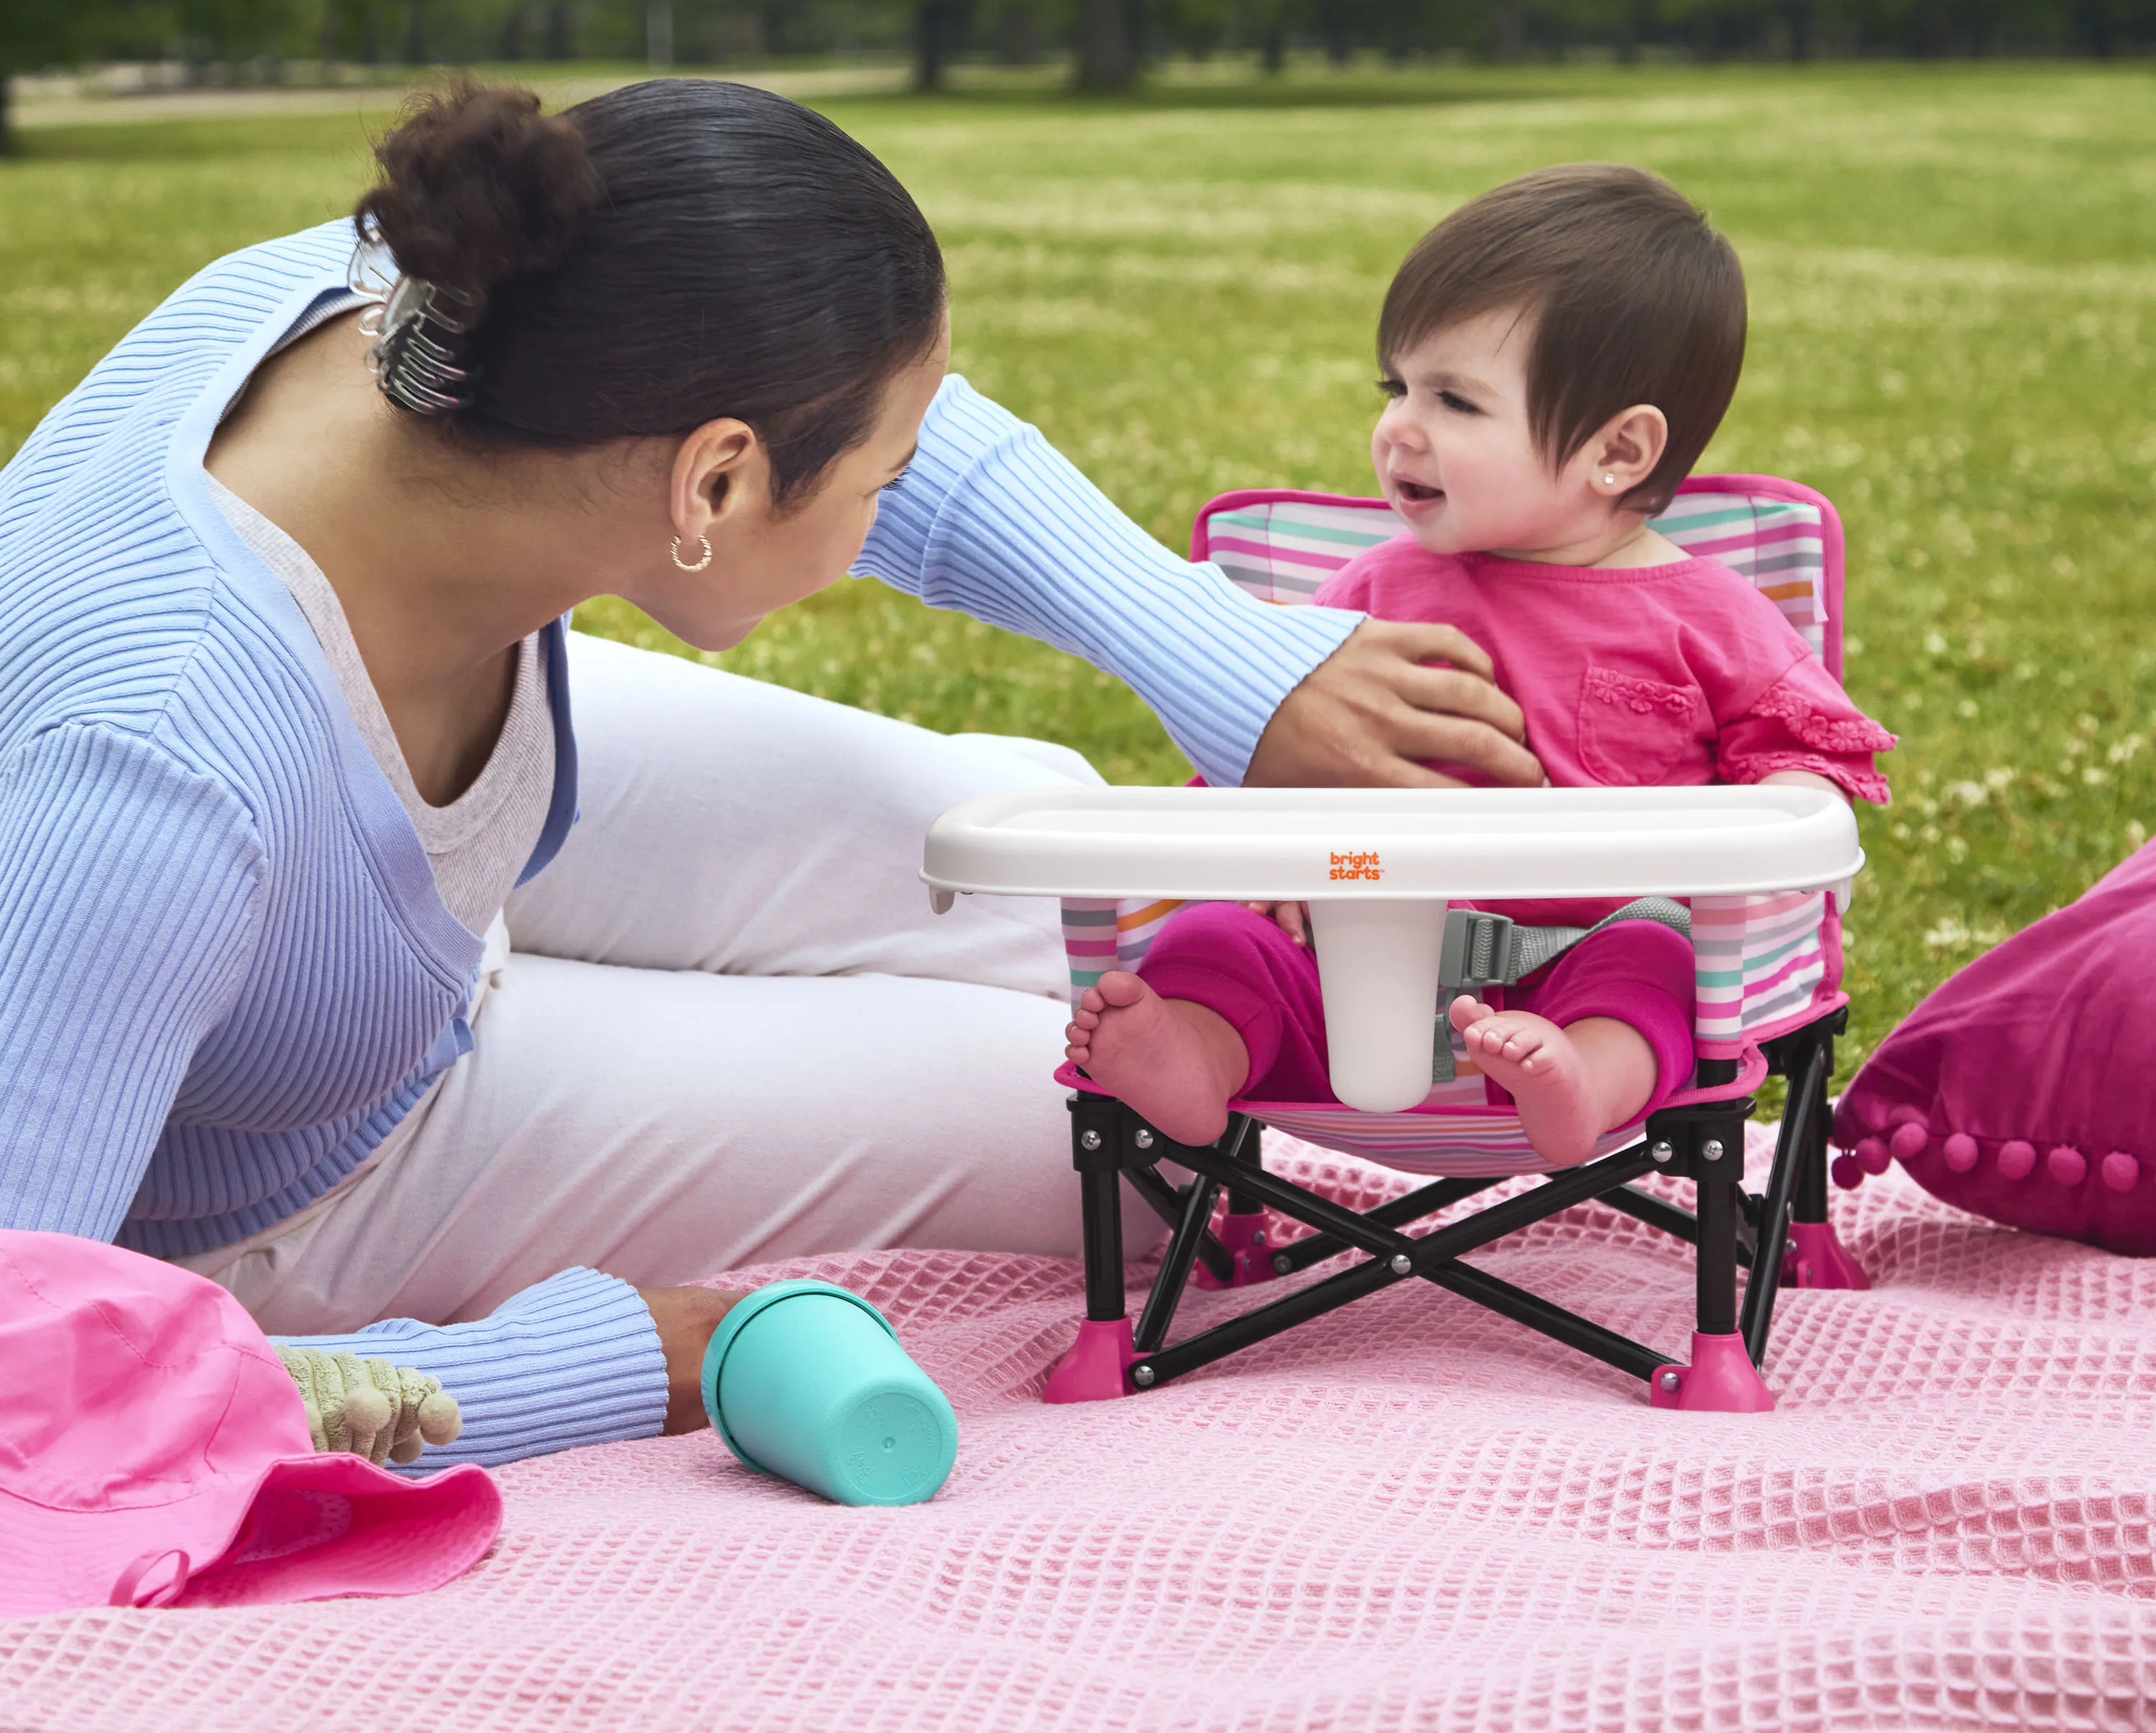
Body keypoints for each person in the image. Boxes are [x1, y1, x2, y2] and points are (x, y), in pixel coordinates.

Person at [0, 77, 1544, 1469]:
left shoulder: (419, 303)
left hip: (354, 867)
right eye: (874, 478)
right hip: (283, 1163)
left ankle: (1580, 1035)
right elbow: (31, 1380)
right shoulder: (146, 778)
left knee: (1065, 842)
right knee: (1131, 1147)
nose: (896, 492)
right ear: (718, 481)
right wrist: (598, 1364)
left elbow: (833, 388)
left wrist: (1235, 670)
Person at [1065, 164, 1896, 1165]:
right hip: (1359, 951)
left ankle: (1580, 1080)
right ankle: (1193, 1059)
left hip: (1592, 944)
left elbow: (1807, 786)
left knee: (1662, 966)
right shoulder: (1371, 591)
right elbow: (1262, 739)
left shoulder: (1713, 616)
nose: (1397, 429)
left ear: (1619, 452)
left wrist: (1773, 815)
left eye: (1454, 400)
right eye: (1397, 387)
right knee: (1213, 943)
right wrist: (1266, 862)